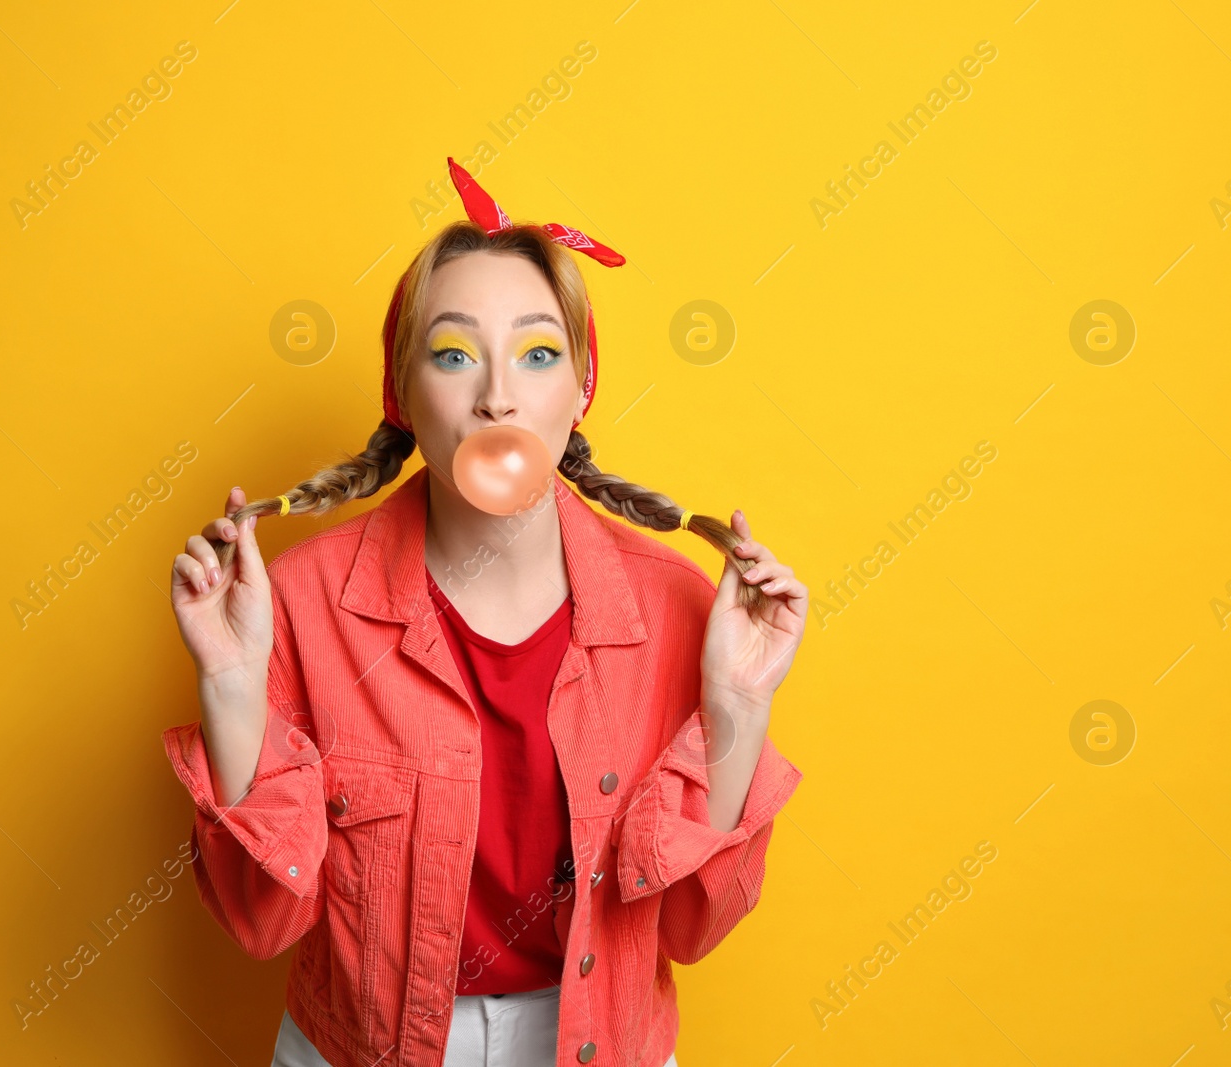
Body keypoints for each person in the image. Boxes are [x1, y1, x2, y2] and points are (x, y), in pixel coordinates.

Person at [161, 158, 807, 1066]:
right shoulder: (293, 603)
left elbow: (694, 929)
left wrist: (738, 707)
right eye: (455, 353)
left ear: (579, 389)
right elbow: (260, 921)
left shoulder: (679, 606)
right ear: (402, 392)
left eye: (538, 353)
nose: (498, 395)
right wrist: (231, 688)